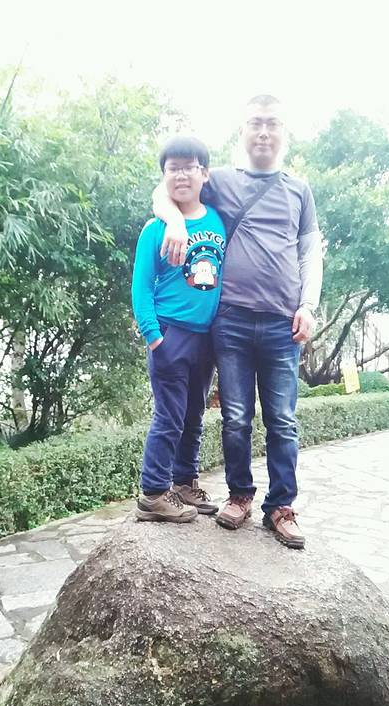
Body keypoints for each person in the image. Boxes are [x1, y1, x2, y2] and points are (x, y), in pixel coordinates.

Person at [153, 95, 323, 548]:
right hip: (229, 320)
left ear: (283, 132)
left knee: (282, 420)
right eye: (255, 123)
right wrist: (174, 222)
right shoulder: (222, 181)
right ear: (243, 131)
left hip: (282, 323)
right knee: (235, 418)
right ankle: (240, 495)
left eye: (272, 123)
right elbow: (168, 188)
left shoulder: (299, 190)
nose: (264, 132)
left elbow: (310, 252)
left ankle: (280, 507)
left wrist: (308, 305)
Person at [132, 136, 226, 522]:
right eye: (173, 168)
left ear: (205, 173)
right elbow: (141, 288)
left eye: (189, 167)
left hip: (206, 338)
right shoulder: (154, 229)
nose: (182, 175)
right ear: (164, 175)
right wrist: (154, 337)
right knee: (169, 416)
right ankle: (154, 492)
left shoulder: (219, 218)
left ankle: (184, 482)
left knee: (193, 415)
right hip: (170, 333)